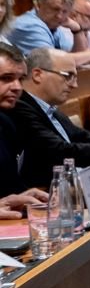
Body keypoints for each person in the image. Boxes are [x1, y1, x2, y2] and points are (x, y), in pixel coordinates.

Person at [6, 48, 90, 188]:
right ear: (37, 75)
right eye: (68, 75)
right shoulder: (20, 108)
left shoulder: (49, 108)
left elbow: (87, 138)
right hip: (51, 195)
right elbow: (62, 152)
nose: (74, 84)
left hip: (77, 188)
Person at [0, 41, 49, 218]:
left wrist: (24, 195)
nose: (17, 87)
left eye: (20, 79)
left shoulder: (6, 123)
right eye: (6, 78)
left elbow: (10, 186)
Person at [1, 0, 90, 66]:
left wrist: (77, 29)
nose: (59, 16)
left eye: (64, 11)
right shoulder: (30, 25)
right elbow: (52, 63)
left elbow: (76, 54)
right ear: (38, 6)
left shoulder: (53, 25)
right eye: (54, 9)